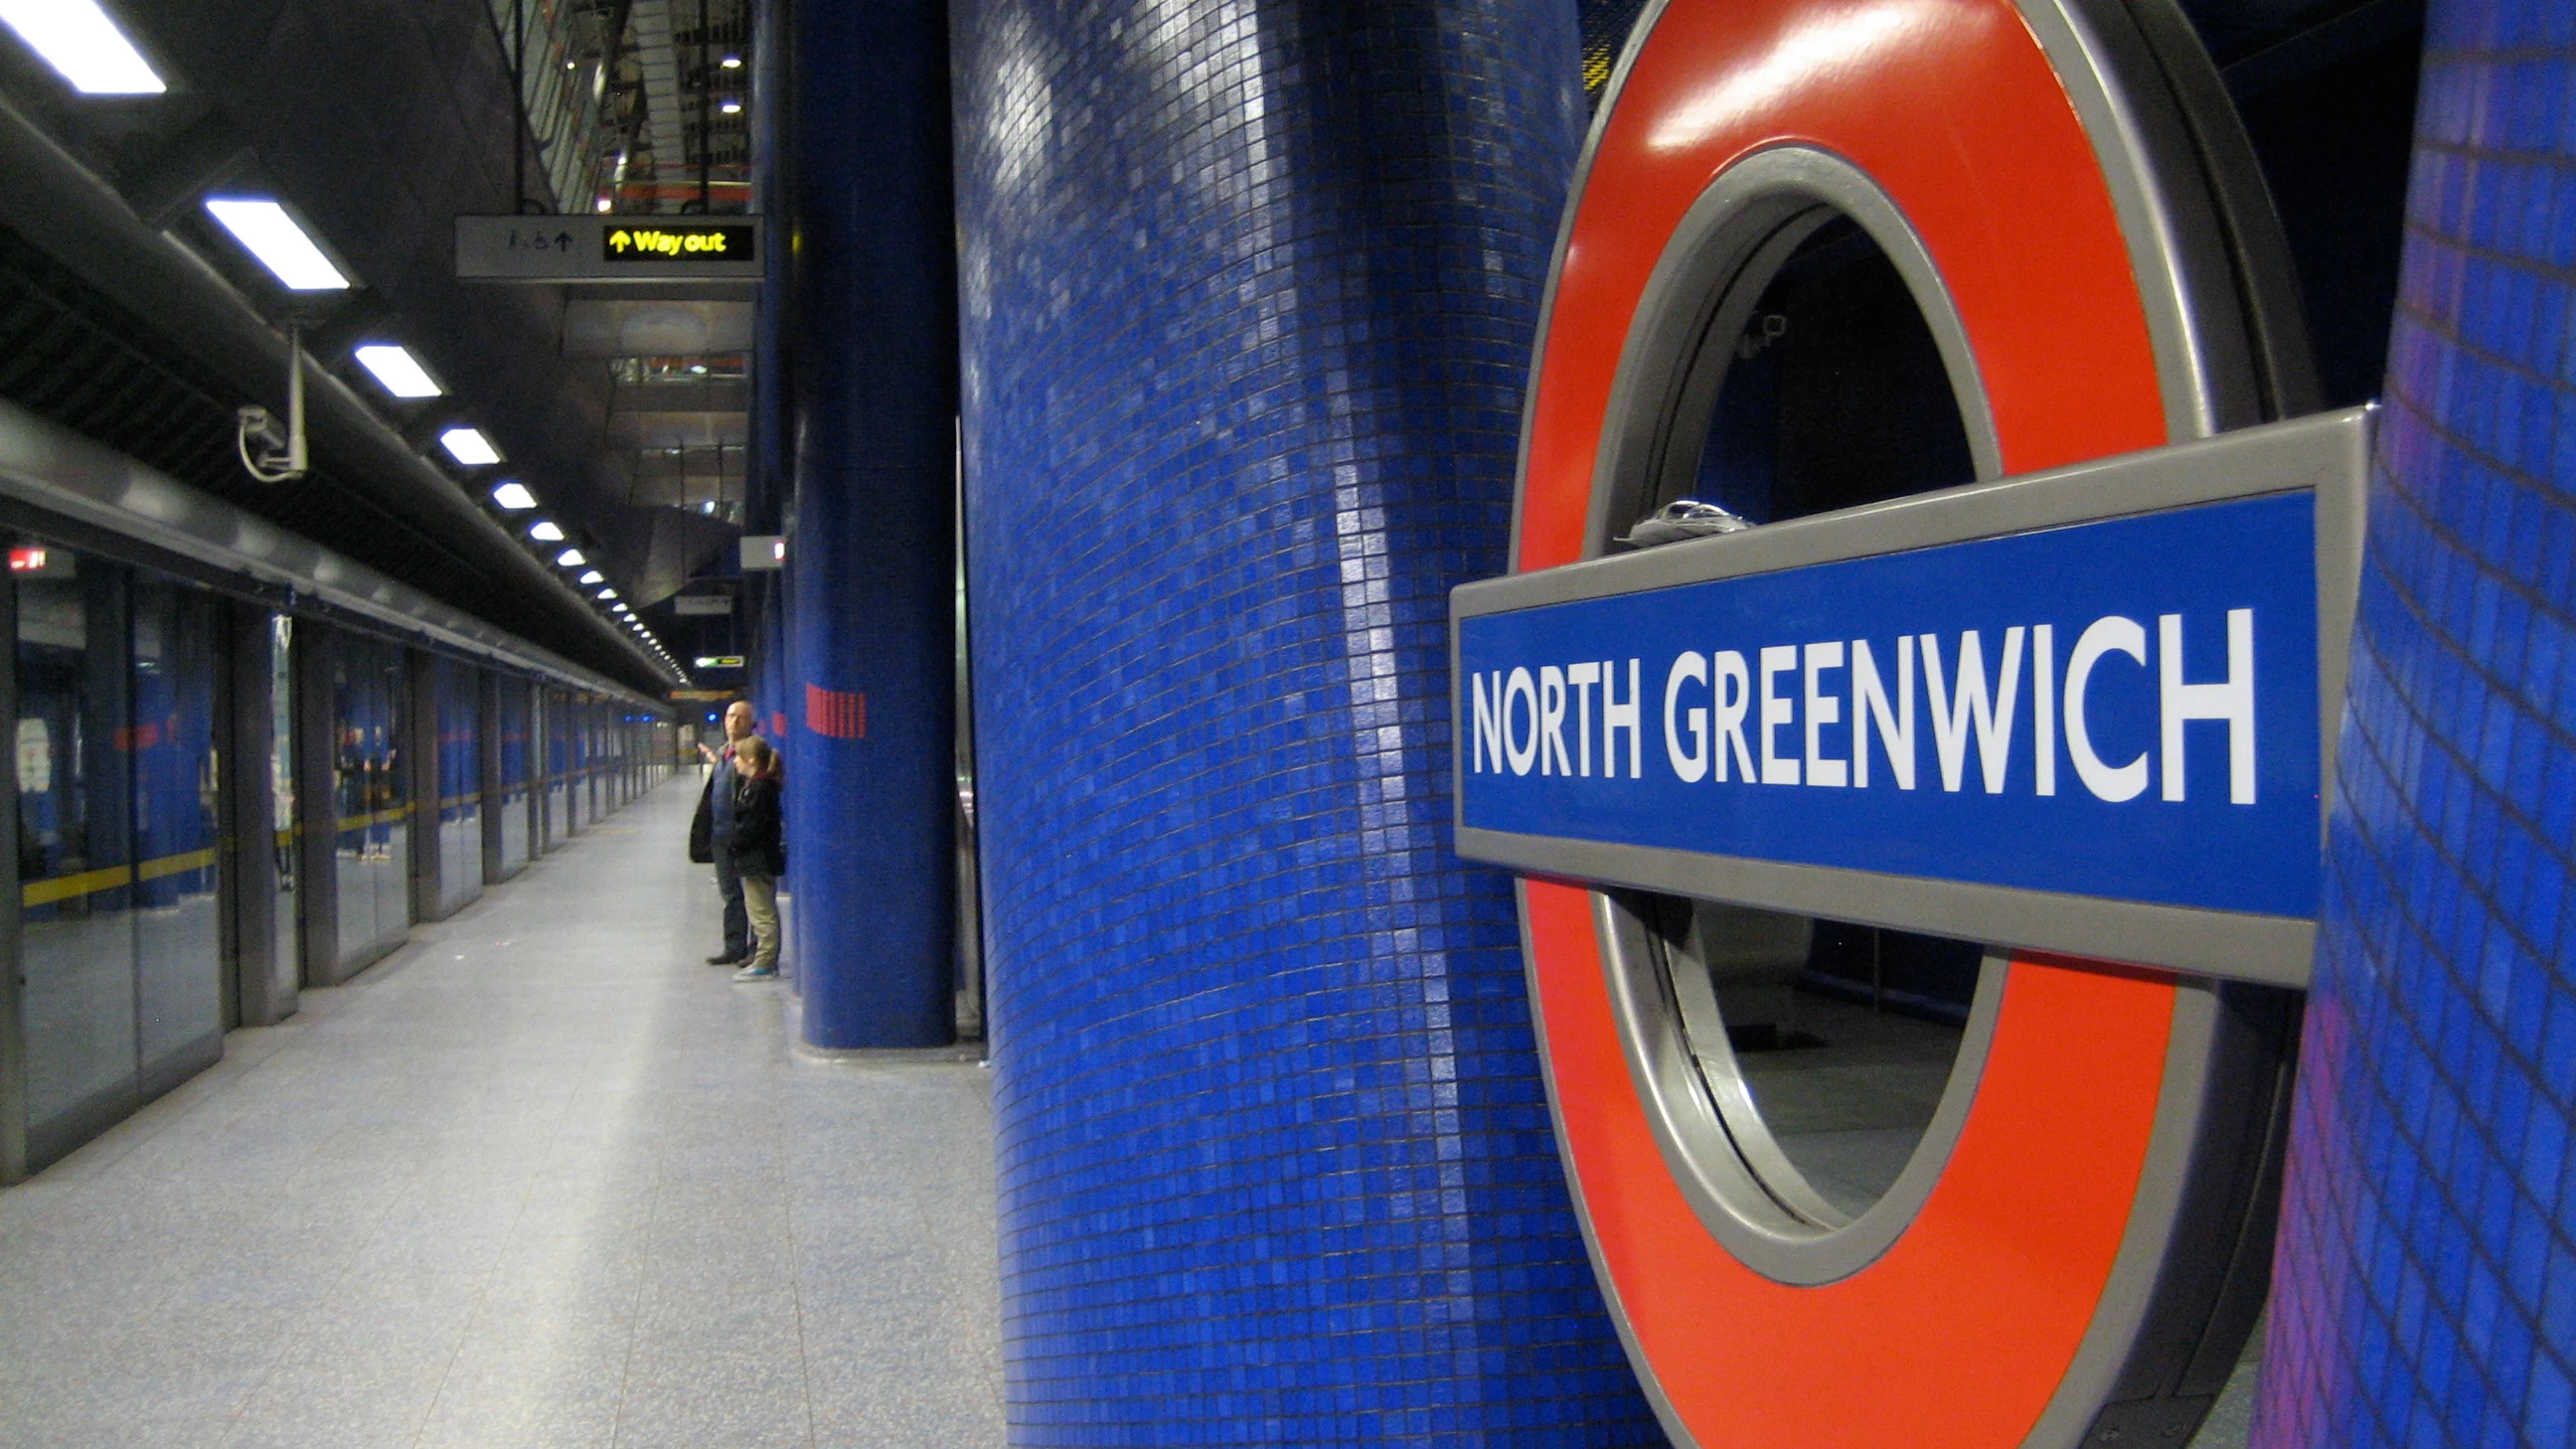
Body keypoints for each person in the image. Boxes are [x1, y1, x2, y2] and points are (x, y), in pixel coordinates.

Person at [687, 700, 758, 964]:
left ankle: (756, 950)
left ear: (751, 723)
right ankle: (734, 946)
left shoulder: (755, 753)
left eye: (740, 717)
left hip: (744, 836)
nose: (734, 722)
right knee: (730, 894)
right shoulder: (724, 755)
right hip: (721, 836)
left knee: (753, 896)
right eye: (730, 716)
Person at [725, 735, 785, 982]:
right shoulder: (757, 786)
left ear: (751, 759)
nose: (735, 763)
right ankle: (764, 959)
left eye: (738, 757)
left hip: (757, 859)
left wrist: (734, 844)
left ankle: (765, 962)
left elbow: (751, 826)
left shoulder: (759, 789)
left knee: (761, 913)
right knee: (759, 909)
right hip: (757, 858)